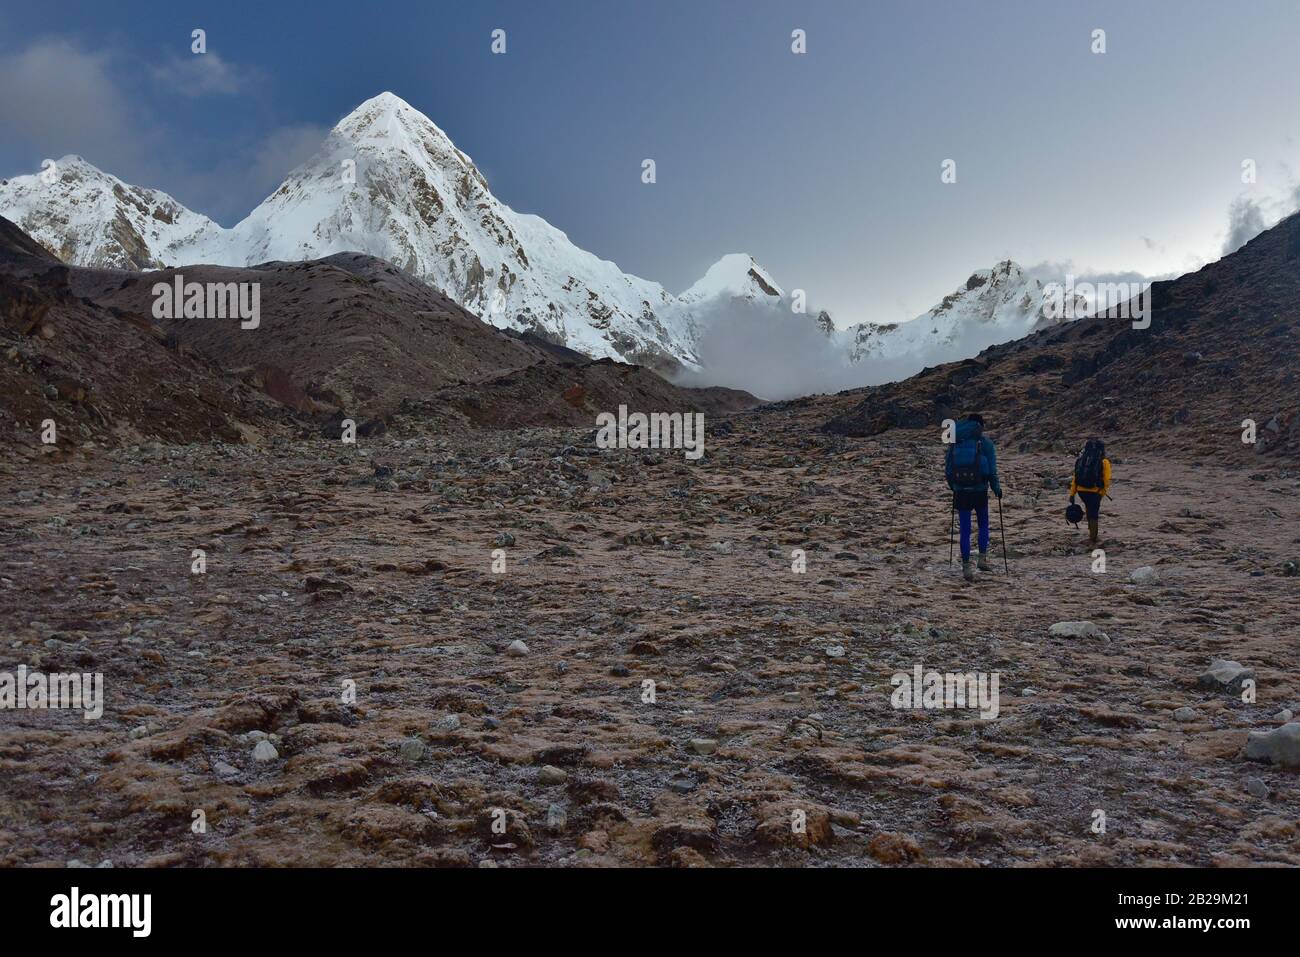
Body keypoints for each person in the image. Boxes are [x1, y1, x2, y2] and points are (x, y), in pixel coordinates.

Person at [945, 413, 1003, 582]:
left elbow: (948, 469)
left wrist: (954, 487)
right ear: (980, 425)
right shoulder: (984, 442)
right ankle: (982, 560)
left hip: (961, 491)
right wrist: (997, 489)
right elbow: (992, 470)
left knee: (965, 529)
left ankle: (966, 567)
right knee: (983, 524)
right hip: (979, 490)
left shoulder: (956, 441)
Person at [1069, 439, 1111, 544]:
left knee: (1089, 510)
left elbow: (1075, 477)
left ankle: (1091, 534)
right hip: (1095, 491)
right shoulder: (1104, 461)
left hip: (1081, 491)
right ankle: (1093, 538)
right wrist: (1102, 492)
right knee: (1094, 513)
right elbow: (1106, 479)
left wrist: (1072, 494)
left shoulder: (1081, 460)